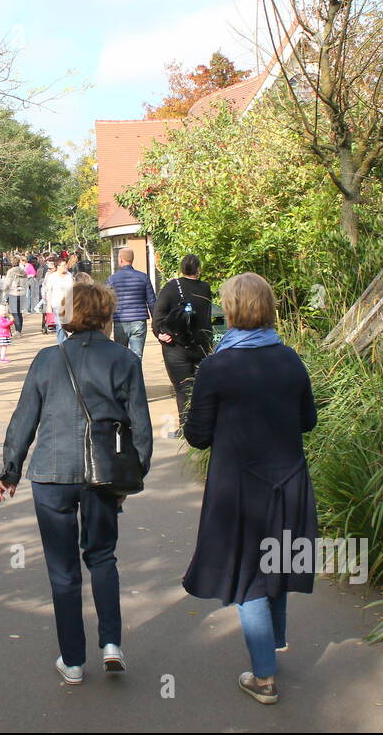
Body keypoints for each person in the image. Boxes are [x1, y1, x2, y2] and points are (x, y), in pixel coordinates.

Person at [0, 282, 153, 685]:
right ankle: (112, 644)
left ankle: (72, 661)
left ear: (67, 314)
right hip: (102, 475)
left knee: (62, 570)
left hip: (50, 474)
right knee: (102, 557)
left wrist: (10, 471)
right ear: (105, 315)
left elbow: (23, 419)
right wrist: (130, 480)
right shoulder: (124, 360)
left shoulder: (47, 360)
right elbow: (140, 427)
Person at [181, 273, 318, 706]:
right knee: (276, 564)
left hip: (240, 489)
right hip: (290, 483)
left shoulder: (217, 366)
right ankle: (272, 645)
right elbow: (307, 421)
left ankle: (263, 678)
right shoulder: (290, 360)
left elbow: (198, 435)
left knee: (248, 580)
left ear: (232, 310)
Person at [153, 254, 215, 437]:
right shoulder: (205, 288)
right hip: (202, 344)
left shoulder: (171, 287)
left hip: (176, 347)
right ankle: (203, 427)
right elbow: (209, 315)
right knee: (200, 387)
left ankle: (186, 428)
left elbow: (158, 315)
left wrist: (160, 333)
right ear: (199, 269)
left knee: (182, 389)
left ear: (181, 269)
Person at [105, 247, 155, 360]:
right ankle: (136, 377)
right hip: (139, 321)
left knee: (121, 356)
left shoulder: (112, 279)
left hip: (120, 322)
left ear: (121, 260)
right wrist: (155, 321)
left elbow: (106, 300)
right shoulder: (143, 277)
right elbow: (151, 301)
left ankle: (123, 377)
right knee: (137, 357)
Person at [42, 257, 75, 344]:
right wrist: (49, 306)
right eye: (63, 265)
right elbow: (48, 292)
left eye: (65, 265)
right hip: (57, 304)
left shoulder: (69, 275)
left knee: (69, 323)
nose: (65, 267)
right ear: (58, 266)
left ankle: (69, 341)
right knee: (60, 325)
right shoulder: (52, 277)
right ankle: (62, 344)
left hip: (69, 303)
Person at [2, 261, 27, 334]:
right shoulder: (23, 272)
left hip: (13, 293)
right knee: (19, 312)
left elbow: (7, 283)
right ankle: (19, 329)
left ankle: (17, 330)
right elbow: (26, 283)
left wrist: (4, 290)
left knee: (15, 313)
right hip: (22, 293)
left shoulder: (11, 272)